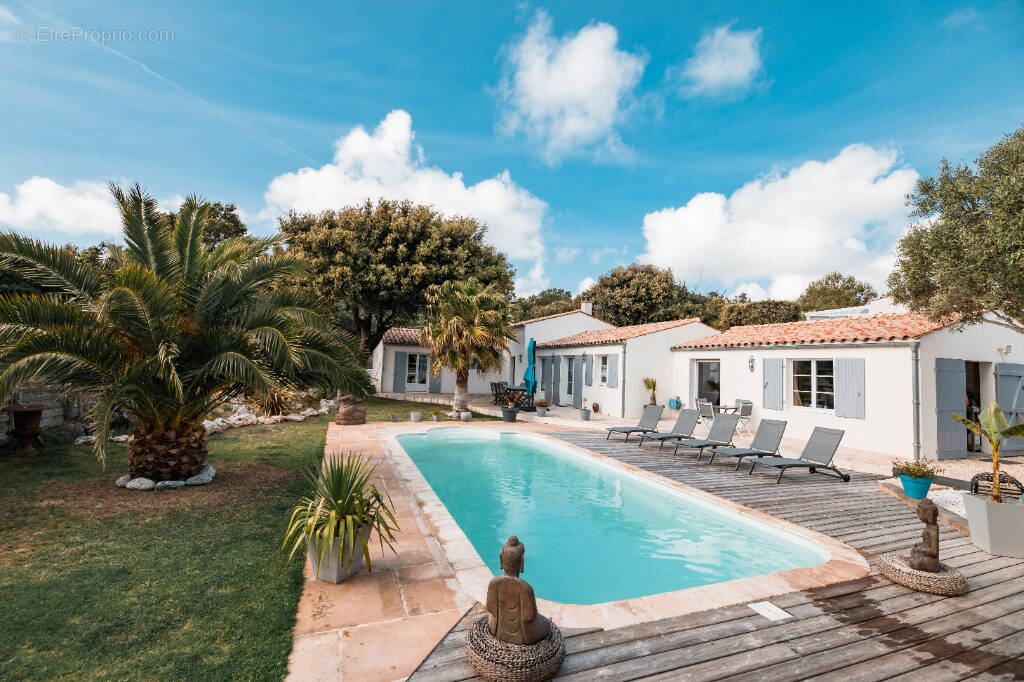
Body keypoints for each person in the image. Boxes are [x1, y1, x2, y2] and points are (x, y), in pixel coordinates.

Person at [485, 536, 551, 645]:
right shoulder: (525, 588)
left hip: (497, 630)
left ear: (501, 559)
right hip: (524, 636)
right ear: (522, 562)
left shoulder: (494, 583)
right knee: (546, 623)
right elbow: (530, 616)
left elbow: (490, 608)